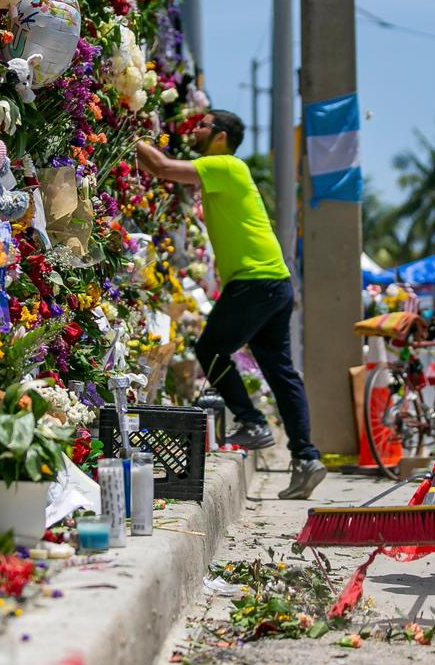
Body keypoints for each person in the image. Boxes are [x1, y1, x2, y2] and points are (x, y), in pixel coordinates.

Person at [135, 110, 326, 499]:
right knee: (280, 371)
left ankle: (253, 422)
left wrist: (126, 132)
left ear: (221, 136)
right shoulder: (224, 170)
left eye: (202, 126)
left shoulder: (224, 164)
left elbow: (160, 167)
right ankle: (306, 458)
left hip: (255, 281)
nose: (195, 131)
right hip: (274, 282)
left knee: (210, 348)